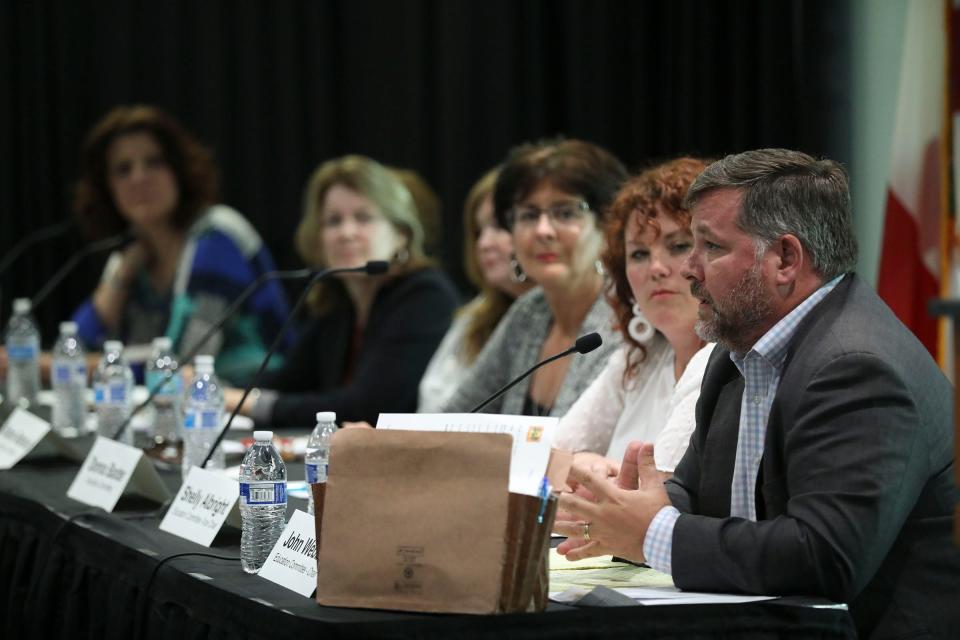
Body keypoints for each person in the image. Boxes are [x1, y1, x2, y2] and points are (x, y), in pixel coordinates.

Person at [555, 149, 960, 639]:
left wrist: (654, 532)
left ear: (785, 259)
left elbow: (824, 557)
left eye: (710, 247)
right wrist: (623, 510)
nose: (689, 269)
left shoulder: (857, 367)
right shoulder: (737, 349)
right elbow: (697, 492)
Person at [225, 155, 459, 427]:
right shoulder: (336, 300)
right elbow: (289, 380)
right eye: (333, 221)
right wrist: (216, 388)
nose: (346, 232)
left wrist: (241, 402)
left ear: (401, 234)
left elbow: (367, 406)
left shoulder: (426, 297)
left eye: (363, 218)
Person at [71, 105, 290, 385]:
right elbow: (73, 346)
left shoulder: (218, 236)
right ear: (107, 187)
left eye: (154, 162)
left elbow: (178, 365)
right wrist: (122, 275)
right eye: (123, 169)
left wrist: (53, 366)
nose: (139, 177)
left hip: (259, 408)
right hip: (184, 416)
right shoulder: (130, 255)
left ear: (180, 169)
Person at [440, 139, 626, 416]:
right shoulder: (529, 312)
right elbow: (457, 417)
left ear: (606, 226)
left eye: (565, 212)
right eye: (528, 215)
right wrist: (380, 441)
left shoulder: (625, 321)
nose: (543, 230)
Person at [554, 158, 715, 472]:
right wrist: (590, 467)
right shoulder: (637, 359)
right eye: (639, 253)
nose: (656, 268)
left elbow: (658, 493)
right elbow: (549, 458)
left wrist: (585, 467)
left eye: (679, 245)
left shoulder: (722, 361)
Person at [417, 167, 534, 412]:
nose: (483, 244)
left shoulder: (572, 318)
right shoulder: (475, 317)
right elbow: (434, 405)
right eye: (479, 231)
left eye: (498, 226)